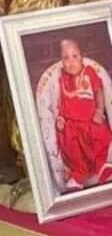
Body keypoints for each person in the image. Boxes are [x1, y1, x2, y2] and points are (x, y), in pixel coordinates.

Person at [55, 39, 112, 189]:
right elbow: (62, 101)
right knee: (71, 147)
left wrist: (99, 110)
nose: (71, 61)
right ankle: (78, 176)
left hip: (91, 120)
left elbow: (99, 91)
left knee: (101, 137)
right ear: (61, 61)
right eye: (66, 58)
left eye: (75, 56)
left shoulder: (89, 72)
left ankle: (101, 167)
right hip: (72, 124)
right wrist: (61, 117)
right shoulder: (63, 80)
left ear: (82, 57)